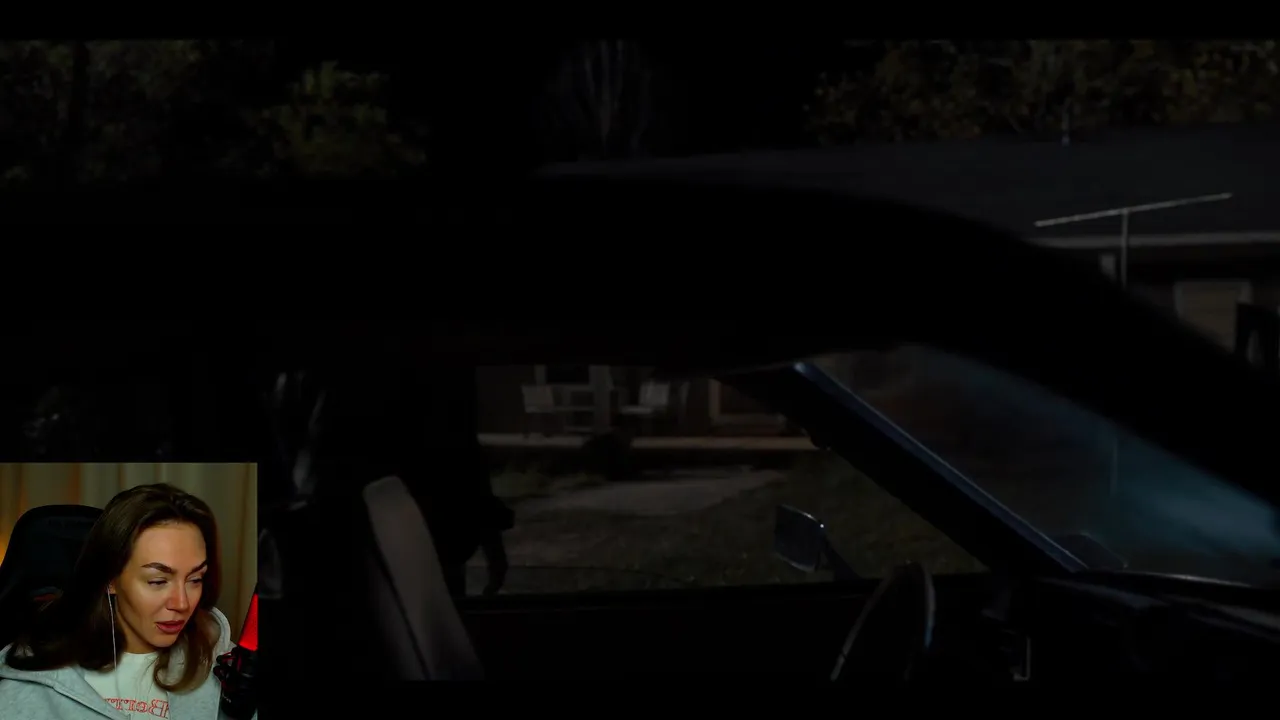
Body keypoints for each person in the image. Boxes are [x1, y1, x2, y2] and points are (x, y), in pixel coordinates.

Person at [0, 483, 249, 720]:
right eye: (158, 581)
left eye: (195, 579)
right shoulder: (31, 681)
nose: (182, 604)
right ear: (111, 579)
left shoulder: (229, 668)